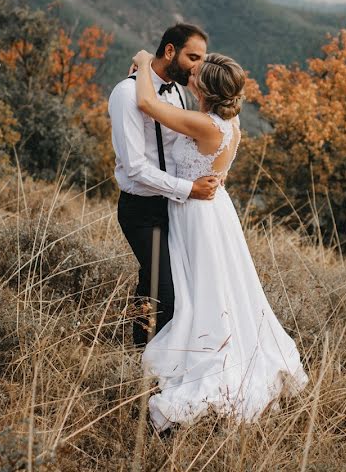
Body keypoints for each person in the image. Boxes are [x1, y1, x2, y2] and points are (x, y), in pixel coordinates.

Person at [131, 48, 309, 433]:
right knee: (220, 286)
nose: (190, 73)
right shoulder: (230, 122)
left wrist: (144, 62)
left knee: (204, 290)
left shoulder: (205, 124)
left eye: (197, 72)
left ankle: (210, 359)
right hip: (214, 210)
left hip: (196, 212)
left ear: (204, 88)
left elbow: (145, 101)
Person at [108, 23, 220, 348]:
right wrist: (189, 189)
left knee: (151, 284)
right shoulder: (127, 93)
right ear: (170, 51)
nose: (198, 66)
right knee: (169, 295)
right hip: (142, 209)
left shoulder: (181, 91)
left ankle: (141, 352)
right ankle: (160, 368)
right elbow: (136, 167)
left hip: (174, 205)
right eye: (193, 57)